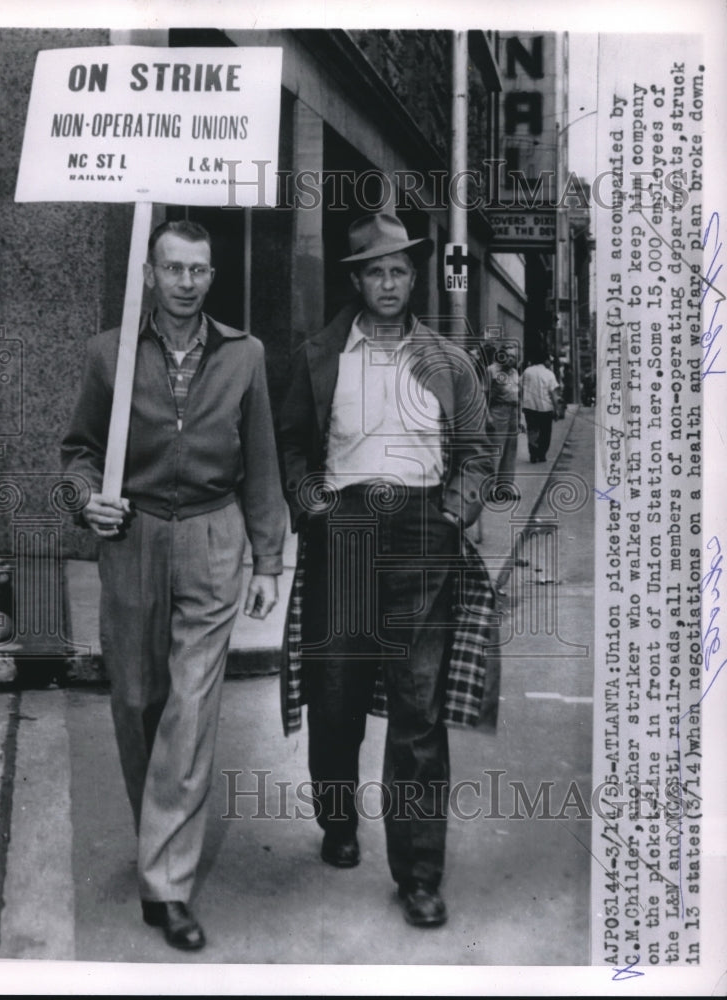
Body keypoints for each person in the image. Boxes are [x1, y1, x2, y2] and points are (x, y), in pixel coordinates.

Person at [61, 219, 286, 951]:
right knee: (136, 700)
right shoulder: (111, 353)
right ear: (150, 275)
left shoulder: (245, 354)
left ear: (211, 276)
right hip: (133, 537)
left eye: (199, 269)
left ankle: (167, 882)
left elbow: (262, 463)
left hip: (214, 539)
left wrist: (268, 558)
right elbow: (78, 453)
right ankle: (159, 838)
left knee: (189, 710)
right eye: (174, 268)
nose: (187, 281)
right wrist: (84, 495)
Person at [279, 213, 498, 929]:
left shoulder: (446, 361)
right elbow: (292, 450)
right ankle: (338, 822)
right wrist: (312, 509)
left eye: (400, 270)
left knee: (418, 709)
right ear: (356, 279)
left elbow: (475, 448)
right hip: (341, 528)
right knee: (336, 696)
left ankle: (419, 875)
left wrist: (455, 511)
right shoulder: (320, 356)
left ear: (414, 277)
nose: (389, 283)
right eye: (375, 271)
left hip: (421, 532)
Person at [485, 340, 521, 497]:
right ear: (501, 355)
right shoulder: (491, 370)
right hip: (497, 411)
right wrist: (487, 416)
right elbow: (483, 394)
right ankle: (490, 488)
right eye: (509, 356)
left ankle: (505, 487)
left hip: (513, 411)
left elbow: (518, 396)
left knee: (510, 450)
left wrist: (520, 419)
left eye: (515, 357)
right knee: (496, 449)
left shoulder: (514, 372)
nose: (512, 360)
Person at [520, 348, 560, 463]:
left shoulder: (527, 371)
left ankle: (533, 454)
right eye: (549, 361)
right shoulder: (549, 373)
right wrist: (556, 409)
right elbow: (553, 393)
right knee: (545, 432)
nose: (550, 363)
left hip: (529, 407)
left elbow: (520, 386)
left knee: (532, 430)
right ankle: (542, 454)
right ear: (545, 361)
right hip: (545, 408)